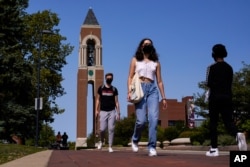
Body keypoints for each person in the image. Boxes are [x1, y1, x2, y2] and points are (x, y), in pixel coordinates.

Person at [205, 44, 247, 157]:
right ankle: (237, 134)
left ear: (213, 54)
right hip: (227, 97)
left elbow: (208, 83)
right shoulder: (229, 68)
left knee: (213, 123)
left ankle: (214, 149)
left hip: (215, 98)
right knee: (228, 122)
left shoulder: (211, 68)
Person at [127, 38, 167, 156]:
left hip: (152, 90)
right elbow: (130, 77)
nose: (147, 45)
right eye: (145, 44)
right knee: (141, 121)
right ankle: (135, 139)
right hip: (139, 89)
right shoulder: (135, 60)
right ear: (141, 46)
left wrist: (164, 97)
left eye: (149, 44)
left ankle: (152, 147)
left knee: (154, 119)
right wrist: (129, 91)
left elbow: (159, 81)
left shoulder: (156, 63)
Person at [95, 73, 120, 153]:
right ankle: (101, 141)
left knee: (111, 129)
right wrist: (96, 110)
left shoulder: (114, 89)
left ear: (112, 79)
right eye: (108, 78)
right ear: (105, 78)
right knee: (102, 129)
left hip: (112, 111)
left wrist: (118, 112)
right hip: (103, 111)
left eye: (111, 78)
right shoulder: (101, 88)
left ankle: (110, 146)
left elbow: (116, 101)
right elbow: (98, 99)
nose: (109, 79)